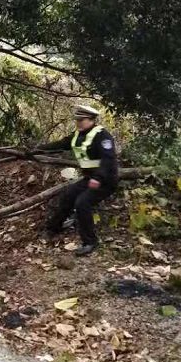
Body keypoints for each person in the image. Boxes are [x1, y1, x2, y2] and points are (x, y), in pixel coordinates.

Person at [33, 105, 118, 256]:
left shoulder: (102, 136)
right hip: (89, 179)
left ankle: (90, 242)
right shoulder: (77, 135)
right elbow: (60, 144)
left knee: (82, 202)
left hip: (105, 181)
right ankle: (54, 228)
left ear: (91, 120)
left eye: (82, 120)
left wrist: (98, 177)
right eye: (77, 120)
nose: (78, 123)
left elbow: (108, 159)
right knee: (68, 196)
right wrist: (37, 150)